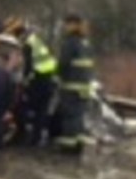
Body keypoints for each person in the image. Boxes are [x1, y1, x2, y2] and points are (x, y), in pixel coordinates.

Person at [5, 16, 58, 146]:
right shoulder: (35, 40)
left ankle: (21, 134)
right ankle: (35, 139)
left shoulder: (27, 44)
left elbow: (27, 67)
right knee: (41, 110)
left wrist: (23, 82)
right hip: (49, 79)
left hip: (39, 79)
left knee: (21, 106)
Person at [54, 12, 96, 153]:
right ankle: (79, 144)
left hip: (70, 86)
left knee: (69, 117)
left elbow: (63, 64)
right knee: (79, 116)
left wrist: (58, 77)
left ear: (73, 25)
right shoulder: (86, 43)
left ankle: (68, 146)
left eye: (67, 24)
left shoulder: (70, 43)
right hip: (84, 87)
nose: (65, 27)